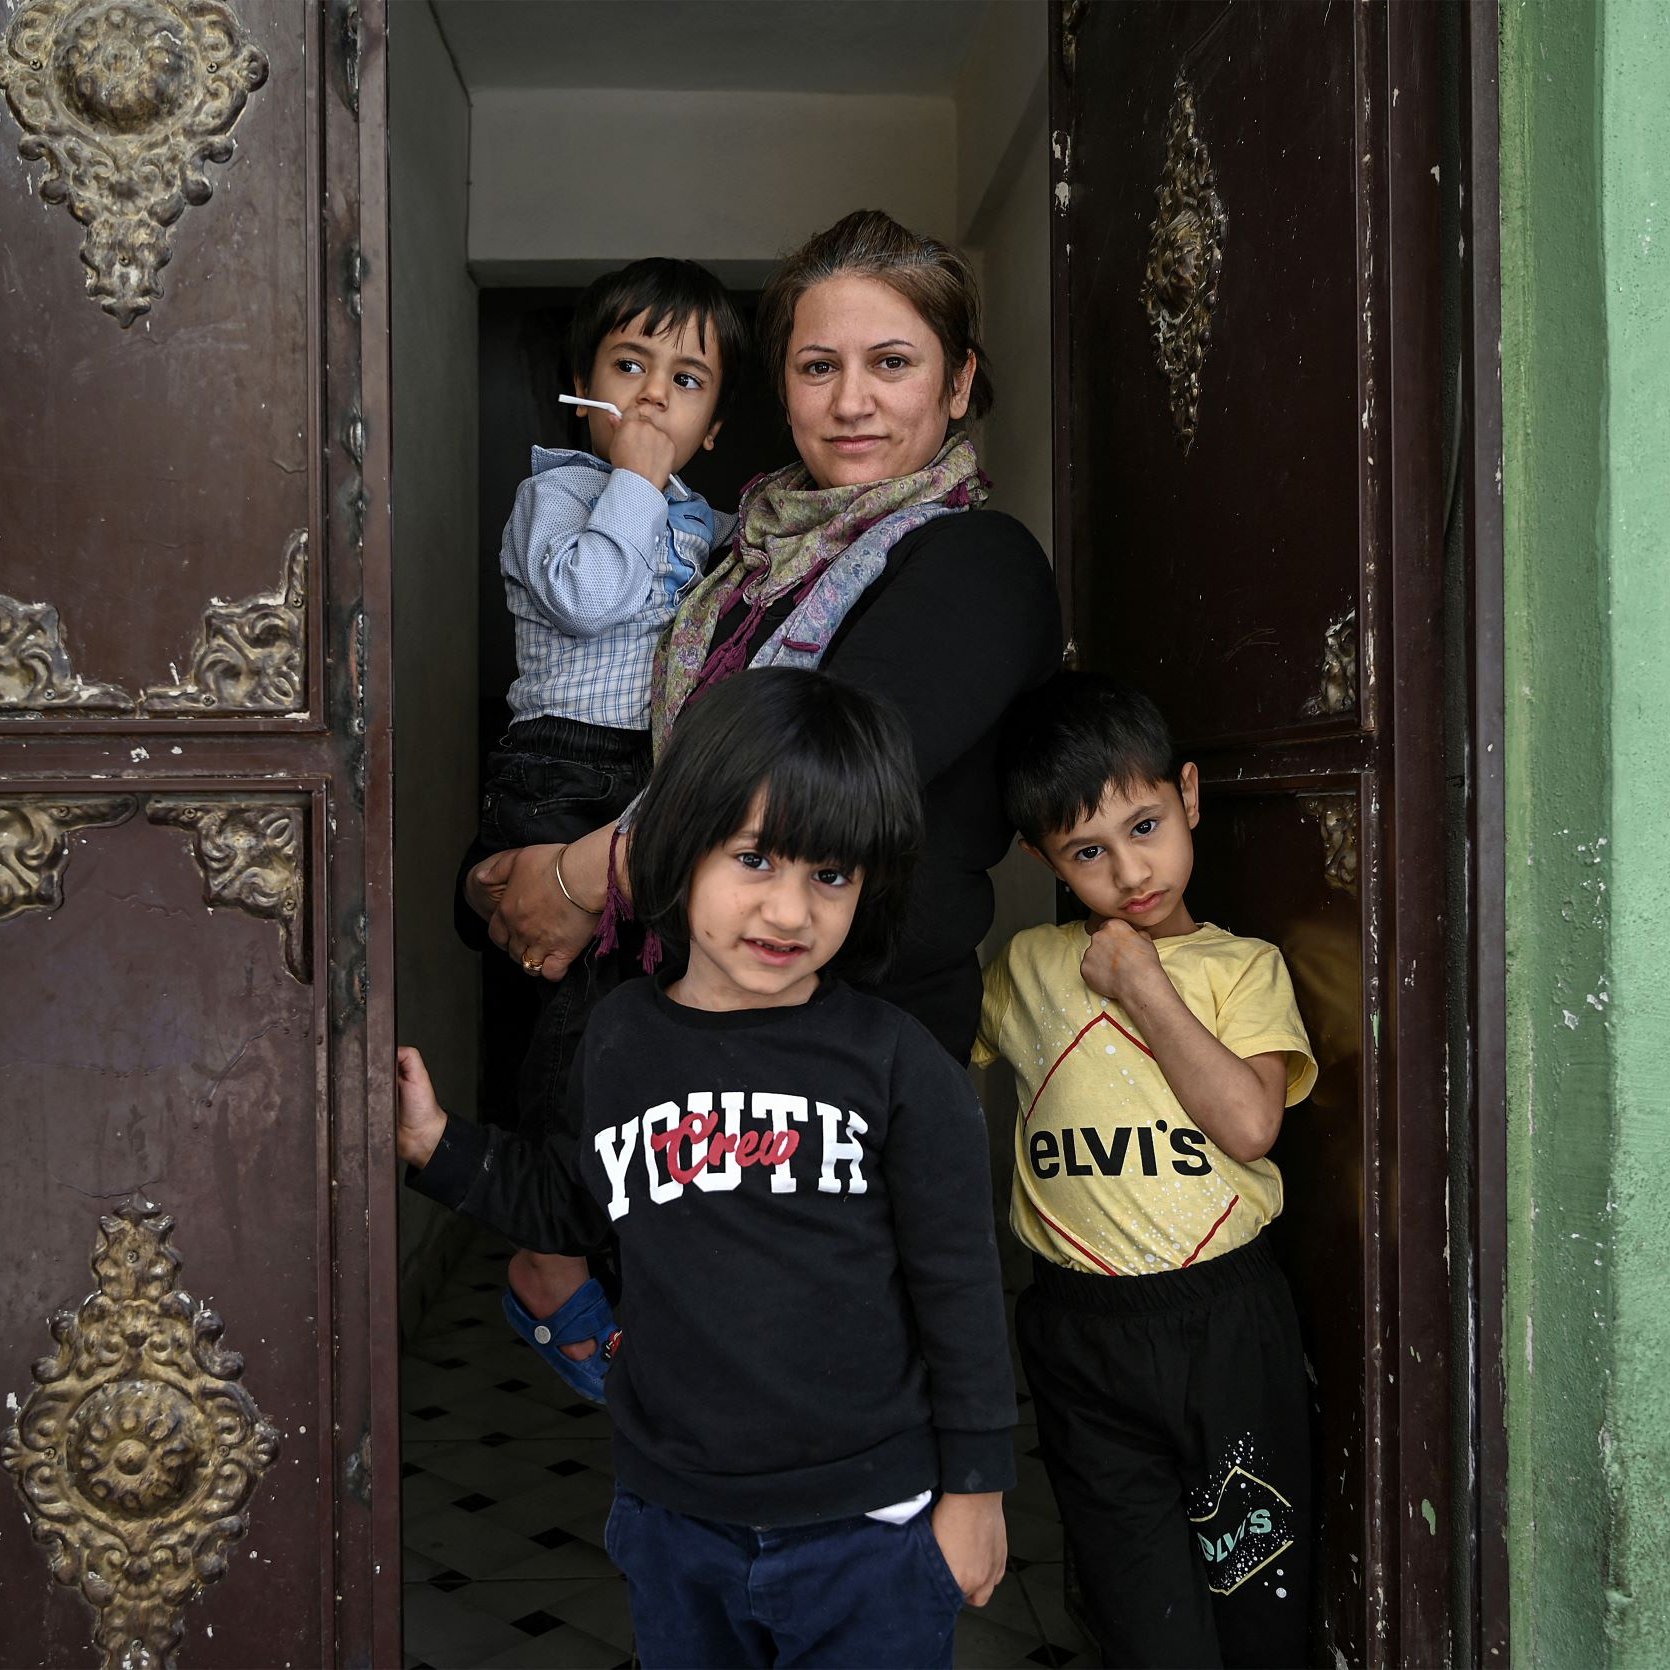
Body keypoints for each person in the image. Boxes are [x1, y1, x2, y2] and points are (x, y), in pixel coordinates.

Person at [467, 208, 1061, 1395]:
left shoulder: (976, 562)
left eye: (891, 364)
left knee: (827, 1439)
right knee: (696, 1446)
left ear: (958, 387)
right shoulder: (734, 561)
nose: (851, 401)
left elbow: (807, 781)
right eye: (816, 364)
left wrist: (582, 877)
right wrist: (505, 876)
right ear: (780, 389)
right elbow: (635, 760)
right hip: (691, 1054)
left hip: (851, 1071)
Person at [401, 670, 1016, 1670]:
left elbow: (960, 1286)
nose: (787, 908)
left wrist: (978, 1489)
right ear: (680, 845)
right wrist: (438, 1145)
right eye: (755, 857)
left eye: (830, 875)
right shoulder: (619, 1039)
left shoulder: (896, 1064)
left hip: (870, 1525)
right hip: (675, 1512)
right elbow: (572, 1200)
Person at [974, 672, 1319, 1669]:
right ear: (1042, 856)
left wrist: (1140, 979)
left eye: (1144, 825)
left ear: (1189, 796)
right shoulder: (1028, 965)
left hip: (1222, 1323)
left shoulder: (1238, 966)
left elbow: (1250, 1122)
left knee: (1256, 1596)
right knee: (1138, 1607)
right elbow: (920, 1049)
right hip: (1078, 1327)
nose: (1129, 871)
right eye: (1087, 850)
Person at [468, 258, 747, 1400]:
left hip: (646, 786)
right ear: (578, 385)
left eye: (682, 382)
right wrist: (630, 479)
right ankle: (545, 1244)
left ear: (714, 422)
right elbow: (584, 596)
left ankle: (629, 1241)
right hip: (555, 772)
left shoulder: (715, 526)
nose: (649, 400)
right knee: (572, 1010)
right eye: (628, 367)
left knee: (647, 1016)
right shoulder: (559, 497)